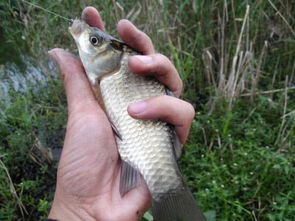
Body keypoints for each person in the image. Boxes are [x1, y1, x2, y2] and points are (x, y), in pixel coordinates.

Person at [48, 6, 195, 221]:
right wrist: (77, 211)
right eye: (95, 42)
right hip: (116, 175)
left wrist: (76, 214)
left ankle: (170, 192)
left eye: (94, 42)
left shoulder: (108, 73)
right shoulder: (99, 79)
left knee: (164, 177)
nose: (88, 42)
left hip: (136, 158)